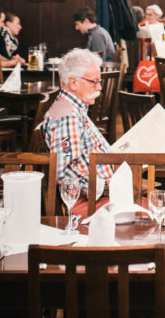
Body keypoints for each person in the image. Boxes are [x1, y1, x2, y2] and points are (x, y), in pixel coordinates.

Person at [41, 48, 114, 203]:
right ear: (73, 83)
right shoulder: (67, 116)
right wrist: (107, 187)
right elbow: (63, 173)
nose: (99, 88)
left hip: (101, 195)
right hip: (92, 203)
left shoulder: (71, 108)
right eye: (94, 82)